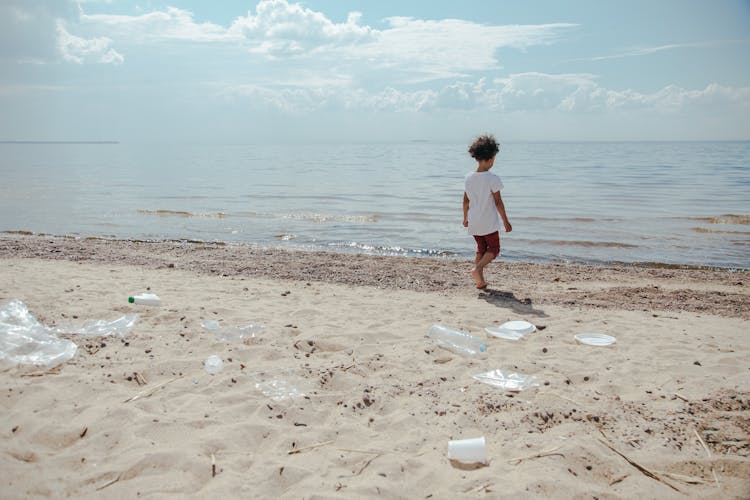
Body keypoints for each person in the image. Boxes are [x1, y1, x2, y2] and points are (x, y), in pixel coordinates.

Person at [462, 134, 512, 289]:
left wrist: (465, 218)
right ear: (490, 159)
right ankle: (477, 269)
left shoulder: (468, 178)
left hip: (474, 221)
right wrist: (505, 221)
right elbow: (498, 202)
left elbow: (465, 200)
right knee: (494, 249)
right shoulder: (493, 178)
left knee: (481, 249)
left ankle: (479, 281)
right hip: (488, 222)